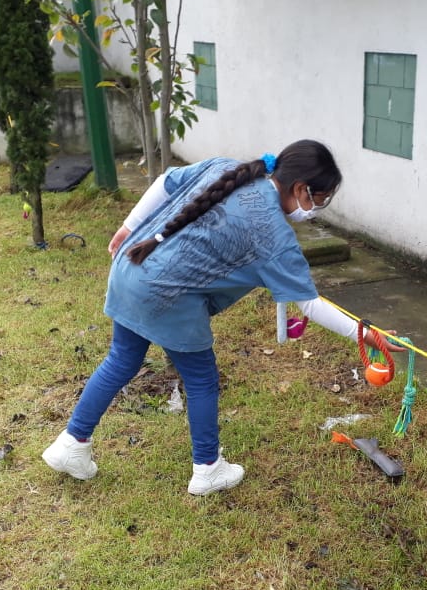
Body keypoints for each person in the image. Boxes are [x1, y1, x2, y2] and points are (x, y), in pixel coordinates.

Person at [42, 139, 403, 495]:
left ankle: (72, 443)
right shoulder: (274, 235)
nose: (316, 210)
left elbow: (163, 182)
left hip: (131, 266)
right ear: (301, 189)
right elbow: (310, 304)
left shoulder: (227, 168)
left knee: (121, 359)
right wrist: (365, 334)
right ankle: (208, 469)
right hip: (168, 296)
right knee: (201, 379)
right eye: (319, 201)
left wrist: (126, 228)